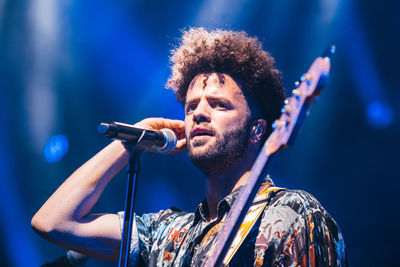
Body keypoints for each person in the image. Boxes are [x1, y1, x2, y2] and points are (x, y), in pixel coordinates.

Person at [32, 28, 347, 266]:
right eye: (191, 106)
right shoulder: (169, 233)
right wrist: (135, 138)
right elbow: (54, 222)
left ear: (257, 130)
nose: (198, 113)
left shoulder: (292, 213)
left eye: (219, 105)